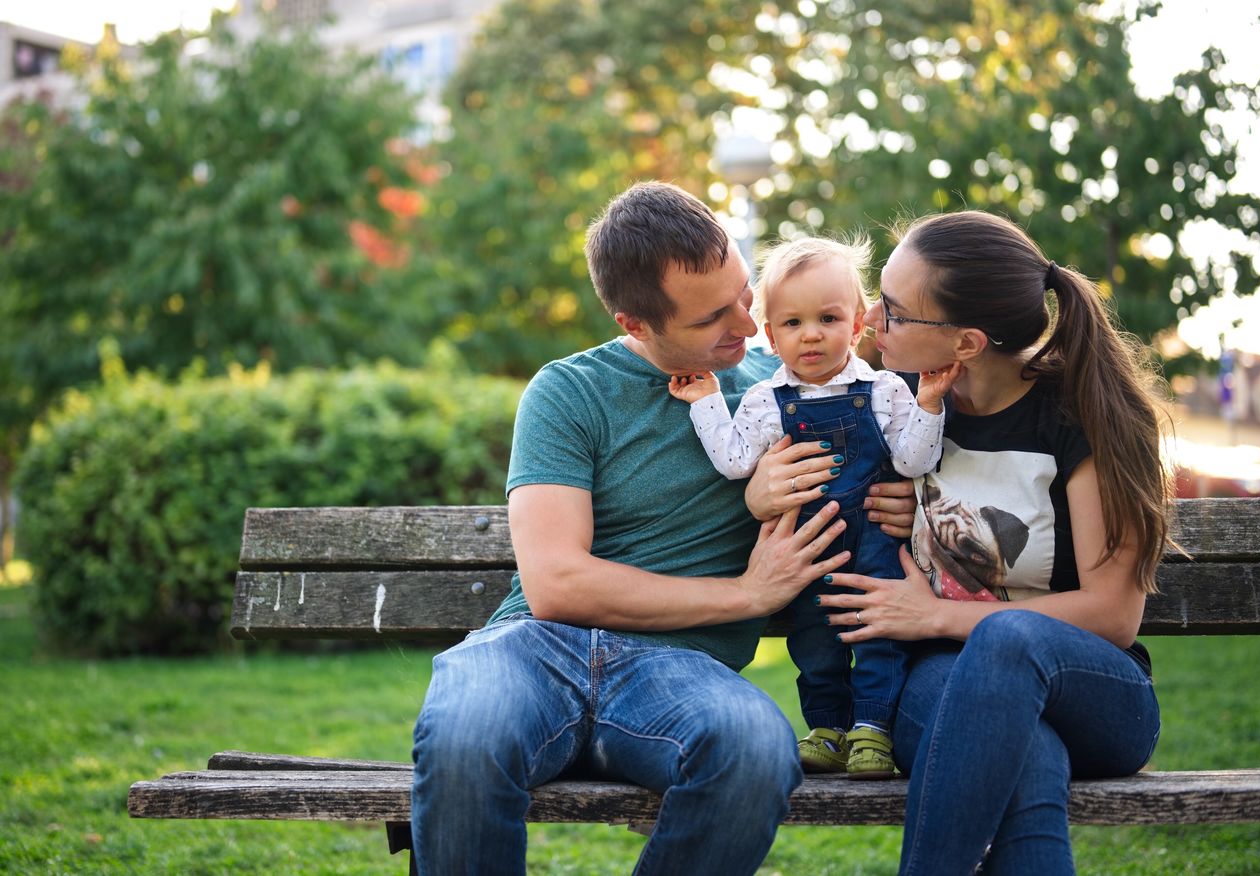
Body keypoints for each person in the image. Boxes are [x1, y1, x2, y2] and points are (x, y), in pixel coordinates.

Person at [408, 181, 919, 875]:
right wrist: (747, 596)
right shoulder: (569, 392)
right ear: (637, 325)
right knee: (465, 738)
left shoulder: (794, 386)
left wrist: (900, 503)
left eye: (745, 294)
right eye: (715, 317)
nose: (749, 326)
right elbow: (556, 582)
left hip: (678, 672)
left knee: (754, 748)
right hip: (535, 650)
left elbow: (895, 462)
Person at [753, 210, 1169, 875]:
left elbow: (1114, 615)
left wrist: (939, 615)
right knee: (1025, 756)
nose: (869, 322)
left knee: (1005, 642)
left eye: (891, 311)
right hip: (942, 685)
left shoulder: (1084, 414)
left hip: (1094, 693)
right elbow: (772, 399)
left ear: (967, 343)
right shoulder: (891, 411)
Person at [667, 236, 959, 778]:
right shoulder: (763, 401)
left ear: (855, 325)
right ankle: (828, 727)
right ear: (771, 336)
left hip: (875, 539)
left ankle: (873, 729)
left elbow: (915, 461)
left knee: (877, 632)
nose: (812, 334)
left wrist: (930, 405)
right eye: (793, 323)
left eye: (828, 317)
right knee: (815, 638)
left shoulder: (885, 389)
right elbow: (734, 461)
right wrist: (707, 400)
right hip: (810, 548)